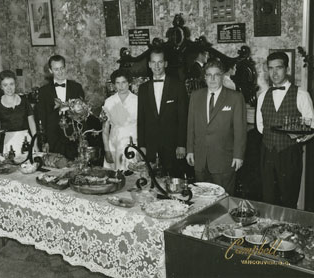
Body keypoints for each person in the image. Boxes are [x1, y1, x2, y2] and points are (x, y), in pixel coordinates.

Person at [256, 52, 314, 208]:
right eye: (270, 69)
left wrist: (297, 137)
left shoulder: (302, 95)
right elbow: (260, 125)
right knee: (268, 199)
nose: (274, 73)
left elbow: (313, 126)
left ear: (287, 69)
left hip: (289, 153)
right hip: (267, 153)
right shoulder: (262, 96)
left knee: (289, 199)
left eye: (279, 68)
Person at [186, 59, 247, 195]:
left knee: (223, 200)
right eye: (209, 75)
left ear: (222, 76)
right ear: (204, 77)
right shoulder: (196, 96)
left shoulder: (235, 98)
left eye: (216, 75)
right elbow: (191, 126)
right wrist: (190, 150)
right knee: (201, 198)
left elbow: (240, 130)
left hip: (224, 160)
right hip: (200, 159)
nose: (212, 79)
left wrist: (238, 155)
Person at [137, 48, 188, 177]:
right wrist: (141, 145)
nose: (157, 66)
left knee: (173, 181)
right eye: (153, 62)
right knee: (151, 182)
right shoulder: (143, 88)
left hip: (172, 145)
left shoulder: (178, 85)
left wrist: (181, 144)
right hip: (151, 145)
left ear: (165, 63)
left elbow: (183, 118)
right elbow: (141, 119)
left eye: (160, 62)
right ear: (149, 64)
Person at [37, 54, 85, 160]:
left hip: (73, 137)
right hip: (53, 138)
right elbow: (41, 117)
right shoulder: (43, 91)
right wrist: (44, 141)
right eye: (56, 69)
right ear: (50, 70)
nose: (60, 72)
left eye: (62, 68)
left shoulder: (77, 88)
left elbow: (83, 114)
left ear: (66, 67)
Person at [0, 70, 37, 156]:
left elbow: (32, 125)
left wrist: (35, 144)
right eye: (5, 85)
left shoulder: (24, 102)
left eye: (11, 84)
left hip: (26, 141)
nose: (9, 88)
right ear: (1, 87)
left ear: (15, 84)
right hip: (9, 143)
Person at [102, 69, 137, 170]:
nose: (121, 86)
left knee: (133, 177)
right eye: (117, 83)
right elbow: (105, 129)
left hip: (133, 143)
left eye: (124, 82)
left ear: (129, 82)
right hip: (114, 144)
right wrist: (107, 150)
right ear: (114, 84)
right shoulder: (109, 102)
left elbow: (143, 127)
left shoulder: (137, 101)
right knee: (114, 177)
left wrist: (142, 149)